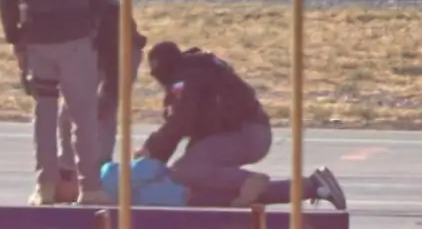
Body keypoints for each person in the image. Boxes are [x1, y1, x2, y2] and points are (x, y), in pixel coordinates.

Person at [0, 0, 112, 207]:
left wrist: (15, 38)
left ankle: (45, 187)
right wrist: (91, 27)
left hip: (38, 41)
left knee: (45, 116)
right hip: (76, 40)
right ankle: (90, 188)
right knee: (83, 118)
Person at [139, 41, 347, 210]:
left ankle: (247, 181)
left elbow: (180, 121)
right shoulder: (197, 71)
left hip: (243, 134)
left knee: (186, 171)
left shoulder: (185, 79)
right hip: (247, 132)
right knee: (210, 187)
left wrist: (151, 153)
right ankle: (312, 186)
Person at [55, 0, 148, 202]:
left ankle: (99, 171)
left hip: (121, 54)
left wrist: (109, 91)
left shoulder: (103, 14)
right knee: (67, 111)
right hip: (94, 51)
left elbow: (115, 61)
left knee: (104, 110)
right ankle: (67, 171)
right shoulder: (65, 10)